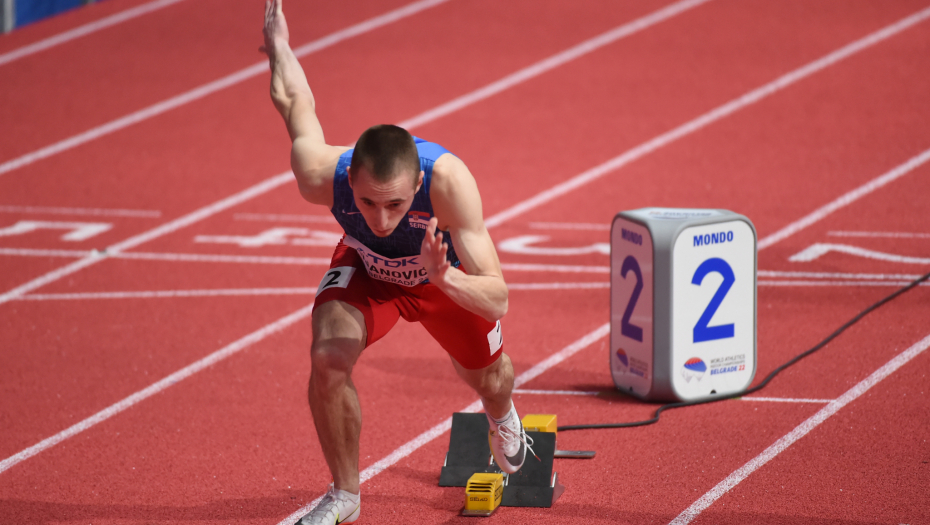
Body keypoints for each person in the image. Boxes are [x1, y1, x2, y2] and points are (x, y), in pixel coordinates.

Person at [260, 1, 533, 523]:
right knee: (326, 358)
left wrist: (444, 275)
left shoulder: (450, 183)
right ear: (349, 183)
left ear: (418, 186)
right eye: (366, 203)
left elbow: (499, 296)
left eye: (396, 204)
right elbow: (294, 101)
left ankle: (501, 415)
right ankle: (345, 494)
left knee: (493, 379)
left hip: (439, 276)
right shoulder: (321, 175)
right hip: (368, 272)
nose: (381, 218)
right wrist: (279, 48)